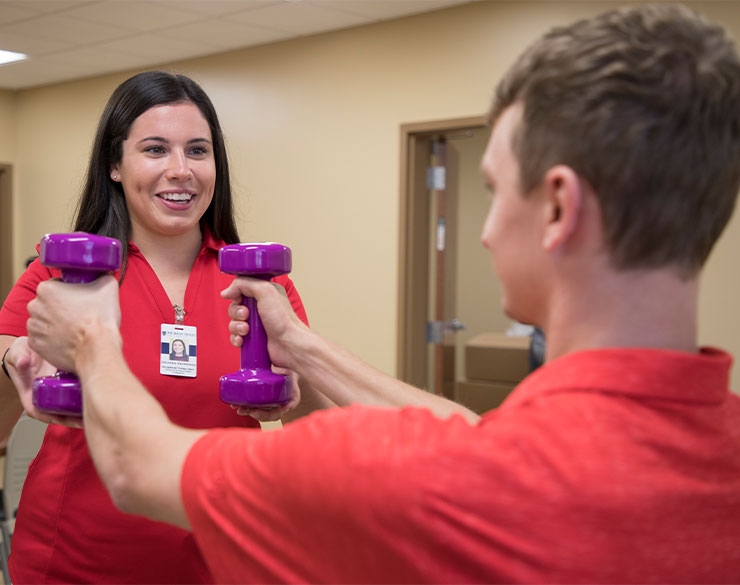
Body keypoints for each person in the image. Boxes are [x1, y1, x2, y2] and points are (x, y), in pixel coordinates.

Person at [14, 3, 740, 582]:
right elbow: (473, 431)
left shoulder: (424, 479)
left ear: (557, 207)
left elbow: (142, 469)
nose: (484, 231)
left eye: (492, 190)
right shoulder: (532, 458)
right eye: (155, 149)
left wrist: (90, 340)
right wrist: (300, 346)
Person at [0, 71, 317, 584]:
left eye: (197, 151)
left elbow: (313, 429)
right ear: (115, 165)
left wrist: (299, 383)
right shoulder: (59, 275)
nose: (180, 170)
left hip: (223, 560)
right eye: (154, 149)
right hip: (73, 564)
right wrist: (12, 362)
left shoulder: (260, 283)